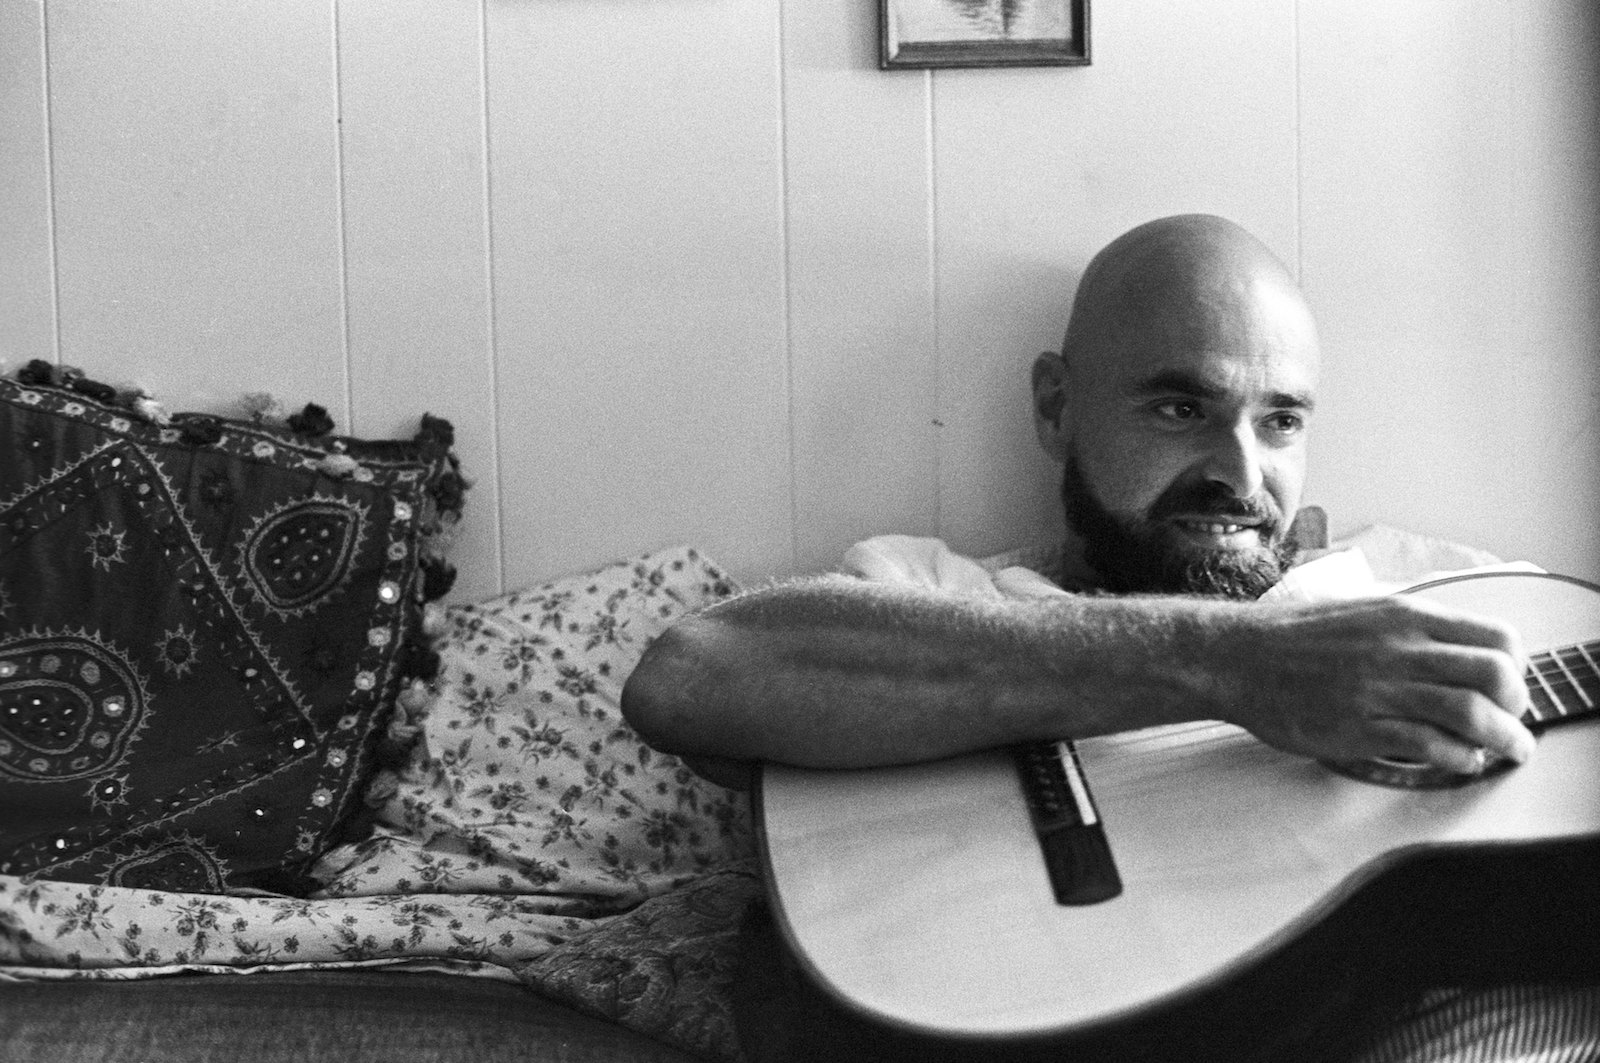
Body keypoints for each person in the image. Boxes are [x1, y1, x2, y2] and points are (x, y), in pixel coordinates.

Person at [620, 214, 1594, 1062]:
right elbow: (691, 676)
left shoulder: (1440, 590)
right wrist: (1238, 663)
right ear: (1055, 406)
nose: (1238, 471)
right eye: (1180, 408)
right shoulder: (935, 592)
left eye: (1281, 420)